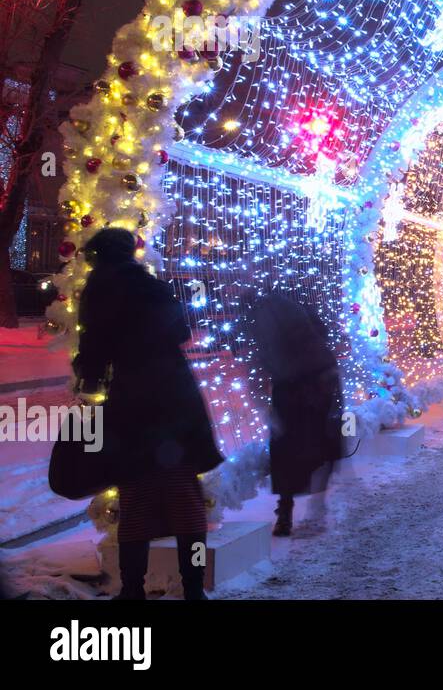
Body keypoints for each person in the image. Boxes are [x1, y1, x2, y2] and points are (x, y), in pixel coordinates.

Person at [72, 228, 223, 600]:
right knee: (184, 495)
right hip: (175, 395)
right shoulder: (150, 284)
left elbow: (93, 346)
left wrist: (88, 375)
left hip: (132, 399)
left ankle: (132, 589)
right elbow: (181, 331)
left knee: (136, 495)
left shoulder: (98, 289)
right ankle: (193, 588)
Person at [244, 290, 344, 537]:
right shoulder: (299, 308)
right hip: (320, 379)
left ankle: (286, 511)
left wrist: (260, 397)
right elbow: (324, 333)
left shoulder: (262, 316)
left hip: (291, 386)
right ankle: (315, 505)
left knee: (287, 449)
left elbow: (260, 357)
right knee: (322, 442)